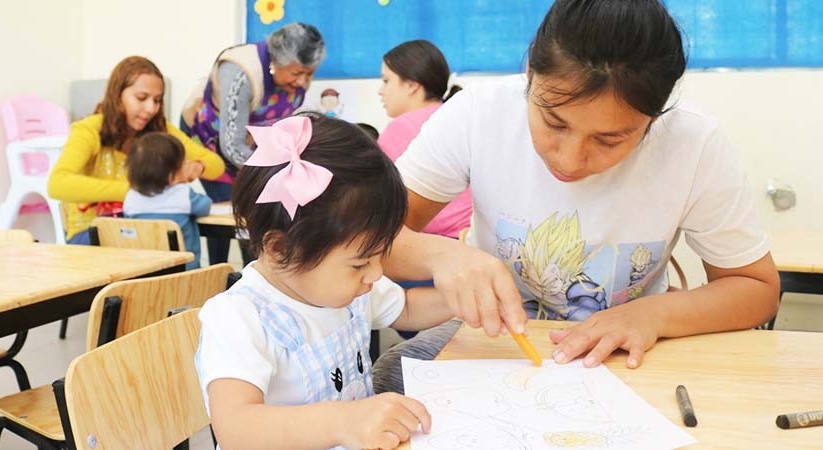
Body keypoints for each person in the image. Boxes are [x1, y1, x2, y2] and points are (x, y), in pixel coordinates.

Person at [373, 0, 780, 395]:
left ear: (655, 117)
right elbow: (366, 236)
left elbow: (755, 287)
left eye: (610, 140)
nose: (569, 160)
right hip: (500, 343)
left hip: (627, 351)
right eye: (554, 122)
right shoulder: (477, 115)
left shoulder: (693, 143)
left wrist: (651, 315)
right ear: (530, 72)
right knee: (393, 376)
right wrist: (439, 255)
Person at [195, 114, 455, 450]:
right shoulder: (239, 317)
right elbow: (235, 428)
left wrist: (463, 298)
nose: (376, 273)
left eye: (380, 255)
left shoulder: (347, 288)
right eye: (361, 262)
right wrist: (344, 421)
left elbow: (406, 308)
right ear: (280, 249)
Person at [181, 22, 326, 264]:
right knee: (231, 204)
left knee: (255, 205)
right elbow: (231, 145)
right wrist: (272, 171)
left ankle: (251, 270)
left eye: (309, 74)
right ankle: (221, 272)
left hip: (250, 142)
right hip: (210, 139)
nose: (302, 82)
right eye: (297, 73)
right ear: (277, 62)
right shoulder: (240, 72)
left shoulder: (294, 77)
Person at [48, 56, 224, 245]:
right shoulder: (89, 129)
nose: (150, 109)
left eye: (157, 100)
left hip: (141, 230)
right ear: (117, 95)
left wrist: (198, 167)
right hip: (92, 233)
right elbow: (58, 184)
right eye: (141, 98)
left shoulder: (160, 130)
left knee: (176, 237)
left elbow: (216, 165)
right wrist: (140, 191)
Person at [377, 39, 471, 239]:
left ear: (411, 85)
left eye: (386, 81)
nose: (381, 91)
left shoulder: (399, 129)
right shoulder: (457, 116)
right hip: (476, 236)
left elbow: (377, 201)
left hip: (437, 242)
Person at [123, 132, 212, 270]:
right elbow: (205, 205)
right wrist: (185, 182)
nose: (188, 165)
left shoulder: (131, 197)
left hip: (144, 272)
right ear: (172, 176)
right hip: (185, 274)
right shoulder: (182, 194)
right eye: (184, 163)